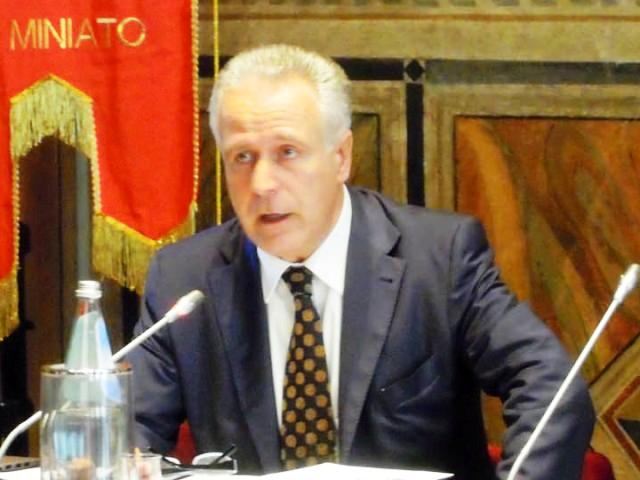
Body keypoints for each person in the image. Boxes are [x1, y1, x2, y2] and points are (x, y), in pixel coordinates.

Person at [128, 44, 595, 479]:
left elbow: (550, 388)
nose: (263, 183)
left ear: (341, 157)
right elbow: (129, 432)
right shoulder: (185, 280)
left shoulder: (439, 259)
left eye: (287, 152)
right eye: (242, 157)